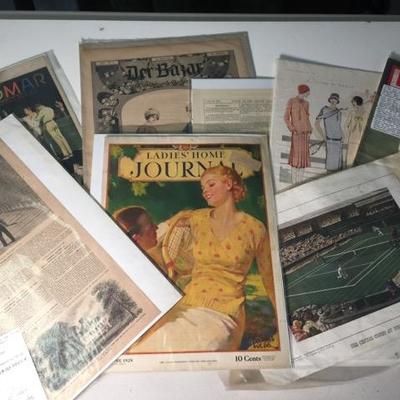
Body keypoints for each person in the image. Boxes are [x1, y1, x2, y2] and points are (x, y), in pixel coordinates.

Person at [129, 165, 277, 352]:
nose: (205, 191)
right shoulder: (196, 218)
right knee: (140, 345)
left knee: (183, 349)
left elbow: (270, 279)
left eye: (211, 184)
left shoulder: (255, 228)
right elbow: (157, 237)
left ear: (228, 184)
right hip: (185, 305)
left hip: (225, 313)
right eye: (203, 188)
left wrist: (283, 323)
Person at [284, 84, 312, 184]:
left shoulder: (307, 103)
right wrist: (292, 129)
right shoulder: (291, 101)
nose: (309, 93)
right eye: (308, 91)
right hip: (296, 134)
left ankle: (300, 183)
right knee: (295, 160)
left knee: (303, 160)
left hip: (305, 134)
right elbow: (286, 118)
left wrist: (309, 130)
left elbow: (307, 118)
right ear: (304, 91)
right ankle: (294, 183)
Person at [315, 93, 344, 172]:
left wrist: (343, 136)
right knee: (330, 165)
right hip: (330, 139)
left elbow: (338, 126)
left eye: (335, 99)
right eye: (332, 98)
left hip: (339, 140)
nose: (333, 100)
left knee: (338, 166)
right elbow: (316, 124)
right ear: (329, 99)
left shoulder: (339, 112)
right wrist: (323, 136)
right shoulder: (324, 109)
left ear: (337, 101)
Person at [345, 96, 365, 167]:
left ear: (356, 102)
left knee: (358, 151)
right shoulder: (352, 112)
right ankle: (348, 166)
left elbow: (364, 125)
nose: (352, 103)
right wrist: (348, 133)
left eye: (353, 101)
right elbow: (347, 124)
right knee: (350, 151)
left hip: (360, 134)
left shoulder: (364, 112)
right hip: (352, 134)